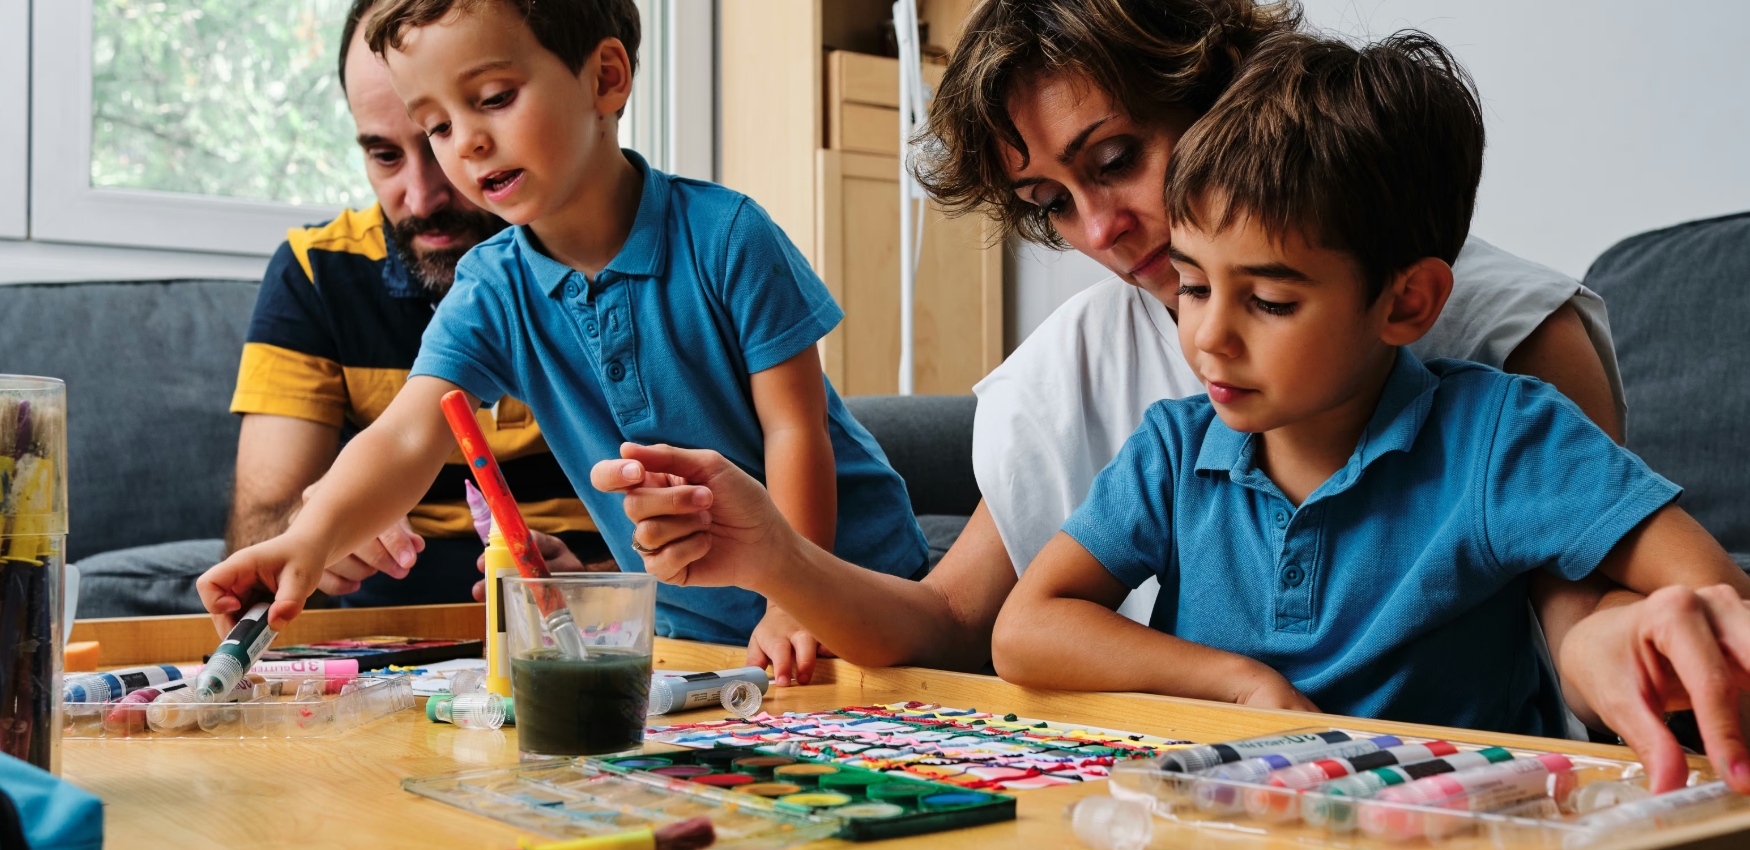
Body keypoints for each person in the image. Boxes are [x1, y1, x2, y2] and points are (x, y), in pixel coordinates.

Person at [592, 0, 1750, 793]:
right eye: (1049, 202)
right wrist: (777, 557)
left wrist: (1629, 634)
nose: (1097, 232)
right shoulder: (1143, 406)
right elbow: (968, 622)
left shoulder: (1500, 361)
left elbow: (1581, 597)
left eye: (1114, 160)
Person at [990, 26, 1747, 735]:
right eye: (1193, 287)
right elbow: (1025, 629)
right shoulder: (1173, 451)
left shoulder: (1500, 436)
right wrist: (1238, 683)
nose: (1210, 336)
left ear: (1407, 302)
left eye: (1269, 300)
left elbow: (1714, 591)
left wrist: (1620, 638)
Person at [198, 0, 928, 661]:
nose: (465, 144)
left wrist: (793, 599)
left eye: (493, 99)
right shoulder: (492, 288)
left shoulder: (729, 236)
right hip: (687, 627)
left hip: (855, 594)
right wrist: (309, 539)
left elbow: (795, 429)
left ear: (606, 78)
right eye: (438, 125)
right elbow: (405, 436)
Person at [227, 0, 609, 608]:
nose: (425, 196)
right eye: (386, 154)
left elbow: (732, 510)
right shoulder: (317, 271)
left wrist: (601, 584)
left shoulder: (663, 258)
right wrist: (316, 531)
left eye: (442, 141)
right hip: (386, 628)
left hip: (601, 624)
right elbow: (257, 535)